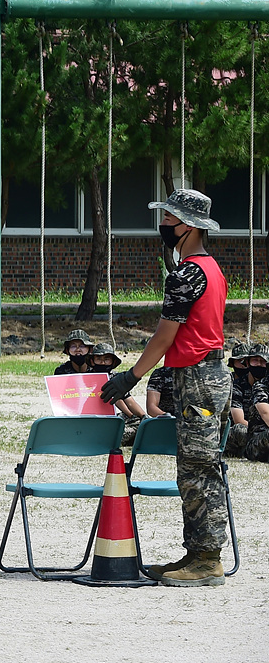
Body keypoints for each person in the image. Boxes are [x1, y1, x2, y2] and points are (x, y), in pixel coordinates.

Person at [102, 188, 230, 587]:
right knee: (194, 468)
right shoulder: (210, 269)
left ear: (187, 226)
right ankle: (197, 555)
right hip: (205, 377)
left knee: (198, 471)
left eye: (169, 219)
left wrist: (131, 376)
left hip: (198, 379)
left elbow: (164, 336)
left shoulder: (187, 274)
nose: (164, 226)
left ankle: (208, 560)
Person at [88, 342, 146, 446]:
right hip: (91, 419)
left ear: (113, 362)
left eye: (106, 359)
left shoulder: (116, 379)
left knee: (137, 422)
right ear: (92, 361)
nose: (102, 363)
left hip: (113, 418)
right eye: (99, 359)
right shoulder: (86, 378)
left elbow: (129, 401)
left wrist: (144, 418)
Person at [223, 342, 254, 457]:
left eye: (246, 361)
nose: (244, 365)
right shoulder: (226, 382)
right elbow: (238, 420)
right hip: (231, 428)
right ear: (232, 363)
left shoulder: (258, 383)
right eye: (240, 361)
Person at [244, 343, 269, 463]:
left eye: (262, 361)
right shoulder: (261, 387)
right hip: (256, 443)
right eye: (255, 360)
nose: (259, 364)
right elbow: (266, 413)